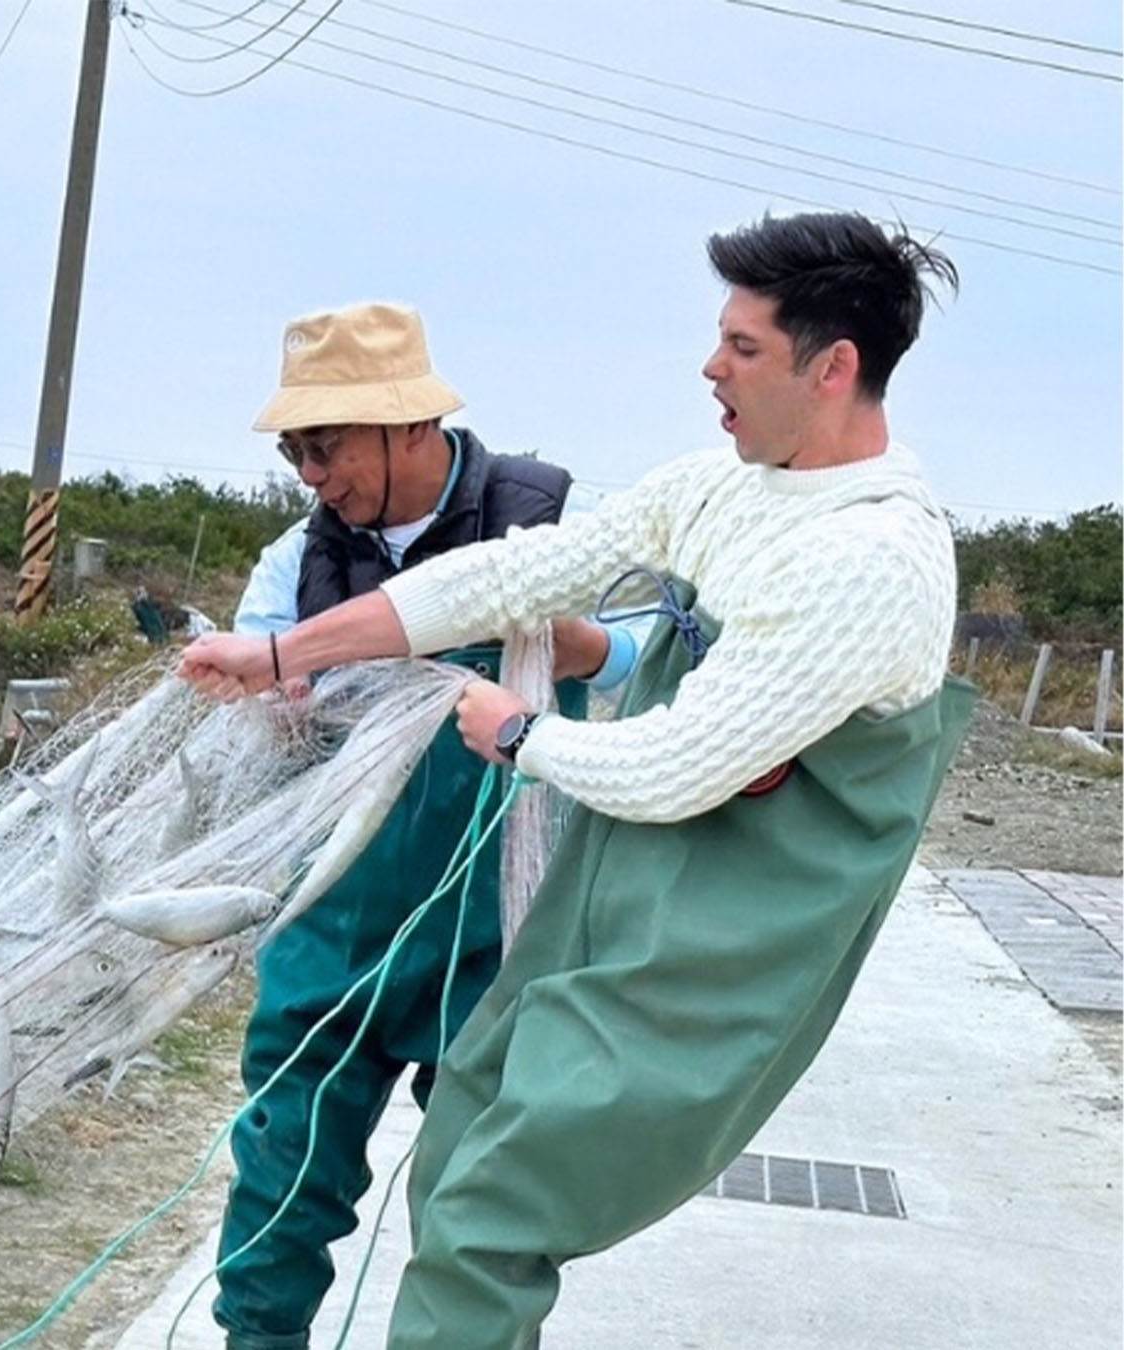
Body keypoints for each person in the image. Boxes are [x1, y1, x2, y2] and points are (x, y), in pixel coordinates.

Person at [181, 212, 972, 1346]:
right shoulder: (720, 486)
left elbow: (677, 763)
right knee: (427, 1163)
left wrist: (514, 731)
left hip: (694, 943)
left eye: (741, 348)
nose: (710, 367)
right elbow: (507, 576)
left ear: (832, 365)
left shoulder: (870, 557)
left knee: (492, 1214)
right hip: (543, 901)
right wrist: (278, 655)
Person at [209, 301, 629, 1350]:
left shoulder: (556, 534)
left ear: (408, 427)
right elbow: (264, 694)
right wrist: (274, 696)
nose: (311, 472)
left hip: (502, 926)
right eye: (295, 450)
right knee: (282, 1171)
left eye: (327, 444)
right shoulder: (292, 565)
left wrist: (571, 646)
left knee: (483, 1202)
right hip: (334, 925)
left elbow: (645, 663)